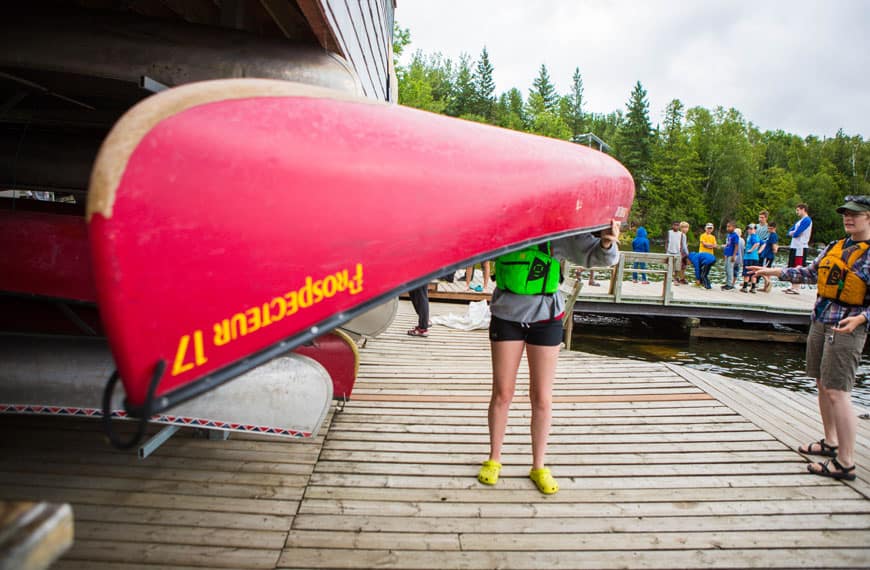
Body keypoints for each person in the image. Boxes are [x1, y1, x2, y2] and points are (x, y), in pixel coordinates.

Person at [478, 221, 621, 495]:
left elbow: (596, 256)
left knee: (542, 396)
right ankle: (494, 458)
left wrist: (606, 242)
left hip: (546, 317)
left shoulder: (556, 234)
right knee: (502, 393)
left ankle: (539, 466)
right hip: (506, 314)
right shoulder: (500, 229)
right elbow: (467, 249)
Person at [748, 196, 870, 482]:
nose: (848, 219)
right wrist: (775, 271)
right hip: (821, 320)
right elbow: (811, 273)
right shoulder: (836, 246)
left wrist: (862, 319)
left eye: (856, 214)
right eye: (845, 214)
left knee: (838, 391)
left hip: (847, 327)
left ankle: (846, 462)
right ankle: (831, 443)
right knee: (820, 382)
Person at [784, 203, 813, 294]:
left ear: (803, 209)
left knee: (798, 266)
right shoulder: (799, 221)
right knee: (792, 265)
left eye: (798, 210)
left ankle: (796, 287)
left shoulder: (807, 220)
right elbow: (790, 231)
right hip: (794, 246)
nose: (797, 212)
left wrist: (793, 233)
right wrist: (792, 232)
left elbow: (797, 233)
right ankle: (792, 285)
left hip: (801, 246)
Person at [757, 222, 779, 291]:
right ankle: (766, 286)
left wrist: (775, 249)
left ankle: (768, 283)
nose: (769, 230)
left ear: (774, 228)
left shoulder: (773, 235)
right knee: (765, 270)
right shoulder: (770, 234)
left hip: (768, 256)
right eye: (768, 228)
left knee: (764, 270)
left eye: (771, 228)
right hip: (765, 255)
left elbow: (774, 246)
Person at [740, 224, 761, 293]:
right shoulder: (752, 236)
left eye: (751, 229)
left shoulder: (753, 236)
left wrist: (751, 250)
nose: (749, 230)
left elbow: (757, 243)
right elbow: (763, 243)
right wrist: (759, 251)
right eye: (749, 229)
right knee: (753, 273)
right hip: (755, 257)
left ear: (755, 230)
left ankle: (745, 287)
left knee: (747, 272)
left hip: (749, 257)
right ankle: (753, 287)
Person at [722, 221, 739, 290]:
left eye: (729, 227)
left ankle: (730, 284)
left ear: (734, 227)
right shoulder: (728, 235)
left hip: (732, 254)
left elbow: (736, 246)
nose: (727, 228)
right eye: (727, 226)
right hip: (727, 254)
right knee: (726, 268)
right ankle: (727, 283)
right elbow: (727, 245)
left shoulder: (735, 235)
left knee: (730, 269)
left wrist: (734, 255)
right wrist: (725, 254)